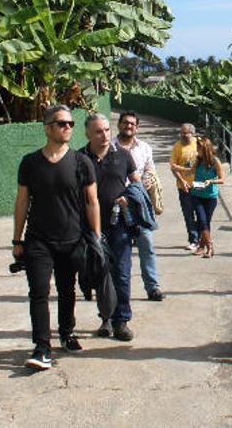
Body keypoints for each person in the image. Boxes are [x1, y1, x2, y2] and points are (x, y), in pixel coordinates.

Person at [13, 105, 101, 371]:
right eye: (62, 123)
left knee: (67, 289)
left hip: (72, 238)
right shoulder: (30, 162)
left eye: (71, 124)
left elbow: (91, 201)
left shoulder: (81, 162)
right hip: (39, 239)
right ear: (47, 127)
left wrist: (96, 239)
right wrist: (17, 240)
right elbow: (22, 201)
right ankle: (42, 347)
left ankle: (66, 332)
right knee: (38, 292)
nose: (67, 128)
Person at [79, 113, 139, 342]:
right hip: (89, 227)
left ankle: (121, 320)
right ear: (87, 134)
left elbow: (136, 185)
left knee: (122, 273)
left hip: (119, 225)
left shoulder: (123, 156)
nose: (104, 135)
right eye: (98, 131)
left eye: (106, 130)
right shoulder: (79, 158)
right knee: (97, 274)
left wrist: (130, 198)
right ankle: (105, 318)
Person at [115, 111, 165, 302]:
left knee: (147, 246)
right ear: (119, 124)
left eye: (132, 124)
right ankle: (114, 290)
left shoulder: (144, 148)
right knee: (118, 249)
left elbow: (150, 169)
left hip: (140, 204)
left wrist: (148, 182)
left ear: (137, 127)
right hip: (118, 204)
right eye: (125, 123)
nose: (129, 126)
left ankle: (152, 287)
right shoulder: (110, 147)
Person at [190, 137, 225, 258]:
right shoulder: (198, 160)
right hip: (196, 194)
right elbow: (190, 171)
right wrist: (178, 169)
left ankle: (201, 246)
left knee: (205, 222)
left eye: (198, 148)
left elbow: (222, 179)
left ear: (204, 148)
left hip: (210, 196)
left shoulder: (215, 162)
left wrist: (211, 181)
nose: (196, 150)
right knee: (202, 219)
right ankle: (210, 247)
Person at [170, 123, 200, 251]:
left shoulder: (200, 143)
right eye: (181, 133)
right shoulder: (177, 146)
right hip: (184, 186)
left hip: (199, 185)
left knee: (201, 213)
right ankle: (193, 240)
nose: (182, 135)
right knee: (188, 214)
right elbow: (173, 166)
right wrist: (182, 181)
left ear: (192, 133)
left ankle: (202, 238)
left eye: (185, 133)